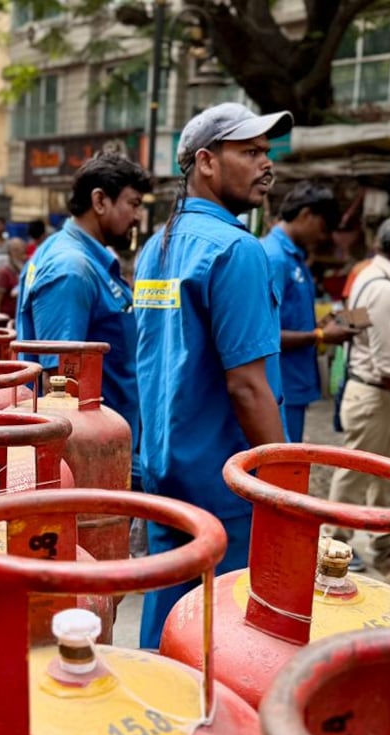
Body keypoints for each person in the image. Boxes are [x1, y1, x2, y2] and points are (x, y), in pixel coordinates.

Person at [134, 102, 292, 648]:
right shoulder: (238, 249)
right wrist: (285, 482)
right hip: (226, 479)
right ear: (206, 161)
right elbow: (246, 385)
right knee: (222, 632)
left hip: (165, 465)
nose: (265, 164)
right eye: (249, 152)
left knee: (168, 610)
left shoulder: (160, 245)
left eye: (267, 153)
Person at [17, 152, 152, 486]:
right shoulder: (71, 269)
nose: (138, 216)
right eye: (133, 204)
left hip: (110, 439)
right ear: (100, 200)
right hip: (91, 457)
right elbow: (60, 385)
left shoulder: (87, 259)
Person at [326, 216, 390, 570]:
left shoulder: (370, 275)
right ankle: (335, 543)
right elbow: (385, 362)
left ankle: (381, 536)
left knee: (384, 472)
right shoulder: (383, 287)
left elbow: (354, 325)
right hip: (377, 392)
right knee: (355, 472)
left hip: (378, 391)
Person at [261, 182, 356, 441]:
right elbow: (263, 334)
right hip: (279, 387)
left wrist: (332, 323)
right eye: (323, 228)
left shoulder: (296, 259)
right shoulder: (275, 258)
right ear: (306, 215)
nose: (323, 237)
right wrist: (322, 336)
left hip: (294, 383)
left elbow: (293, 319)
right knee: (278, 468)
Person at [0, 237, 27, 318]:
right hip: (7, 319)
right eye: (16, 250)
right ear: (9, 253)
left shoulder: (26, 270)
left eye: (22, 249)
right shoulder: (3, 273)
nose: (20, 253)